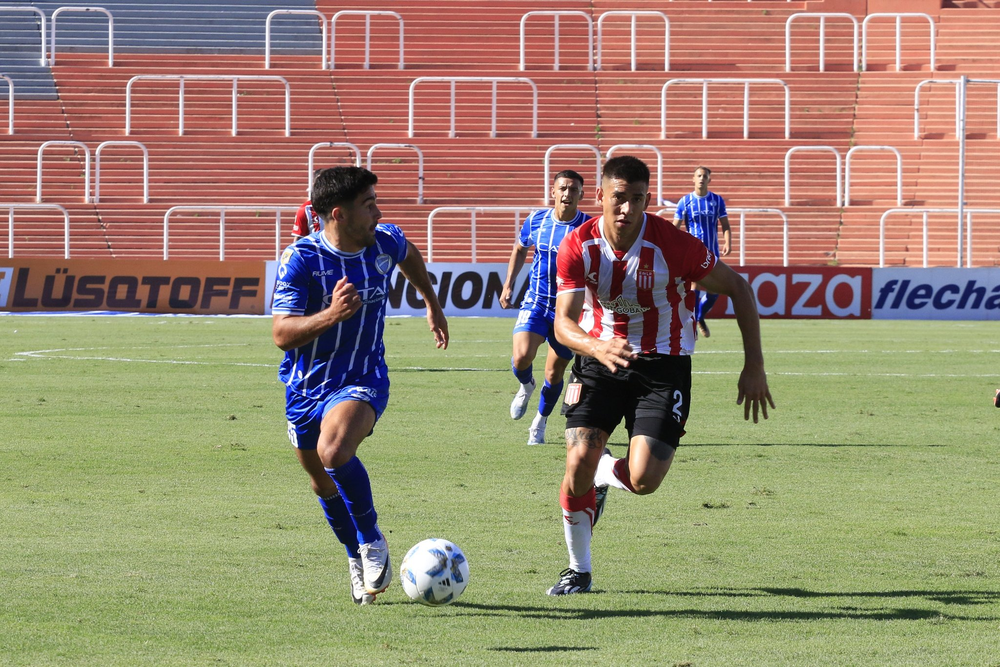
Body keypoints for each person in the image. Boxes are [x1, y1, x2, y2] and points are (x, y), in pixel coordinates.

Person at [547, 156, 774, 595]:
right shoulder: (578, 244)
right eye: (618, 198)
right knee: (576, 460)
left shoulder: (674, 244)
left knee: (644, 480)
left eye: (636, 200)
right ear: (600, 197)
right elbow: (563, 323)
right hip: (599, 360)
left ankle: (604, 475)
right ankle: (579, 570)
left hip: (663, 365)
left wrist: (754, 366)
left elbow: (740, 289)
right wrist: (596, 346)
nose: (627, 209)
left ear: (647, 199)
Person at [271, 166, 448, 605]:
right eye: (369, 205)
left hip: (362, 378)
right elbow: (281, 334)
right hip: (305, 386)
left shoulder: (383, 240)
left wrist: (431, 302)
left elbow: (409, 255)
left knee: (335, 452)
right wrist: (331, 315)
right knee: (320, 480)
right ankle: (354, 554)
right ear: (339, 214)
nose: (378, 212)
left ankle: (371, 539)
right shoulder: (302, 260)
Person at [500, 170, 588, 445]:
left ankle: (540, 421)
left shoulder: (589, 226)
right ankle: (526, 386)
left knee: (554, 372)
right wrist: (508, 284)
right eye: (563, 188)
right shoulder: (535, 219)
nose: (567, 194)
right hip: (536, 301)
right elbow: (519, 249)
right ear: (553, 191)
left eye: (573, 189)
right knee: (522, 356)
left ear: (581, 195)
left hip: (570, 310)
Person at [672, 166, 732, 338]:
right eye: (698, 175)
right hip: (693, 253)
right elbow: (675, 228)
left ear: (709, 180)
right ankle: (692, 325)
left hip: (712, 253)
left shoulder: (717, 200)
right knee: (694, 286)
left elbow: (725, 225)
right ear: (693, 178)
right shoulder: (685, 201)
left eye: (704, 176)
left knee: (714, 292)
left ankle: (700, 317)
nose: (701, 179)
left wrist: (728, 242)